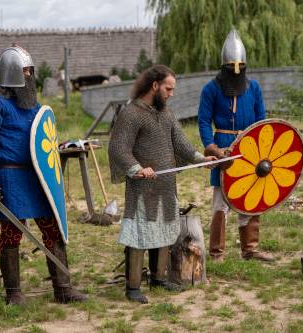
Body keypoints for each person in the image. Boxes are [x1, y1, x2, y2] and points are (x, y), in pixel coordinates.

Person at [0, 45, 87, 305]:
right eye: (24, 71)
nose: (28, 75)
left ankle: (63, 288)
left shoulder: (34, 108)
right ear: (11, 72)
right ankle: (13, 293)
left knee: (52, 229)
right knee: (13, 232)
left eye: (30, 71)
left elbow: (41, 138)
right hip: (10, 178)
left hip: (37, 179)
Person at [109, 64, 217, 304]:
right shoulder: (131, 113)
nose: (171, 93)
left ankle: (159, 278)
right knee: (139, 235)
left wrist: (201, 159)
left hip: (165, 185)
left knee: (165, 231)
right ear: (155, 85)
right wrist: (137, 168)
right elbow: (118, 148)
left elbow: (181, 145)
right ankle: (133, 286)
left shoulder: (166, 114)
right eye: (168, 88)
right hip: (142, 187)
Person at [198, 29, 274, 263]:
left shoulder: (254, 88)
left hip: (250, 150)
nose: (235, 74)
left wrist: (263, 151)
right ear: (225, 68)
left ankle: (250, 249)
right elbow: (203, 121)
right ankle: (217, 253)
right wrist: (212, 147)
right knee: (221, 201)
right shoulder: (211, 89)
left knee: (250, 197)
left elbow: (262, 122)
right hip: (223, 148)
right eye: (232, 69)